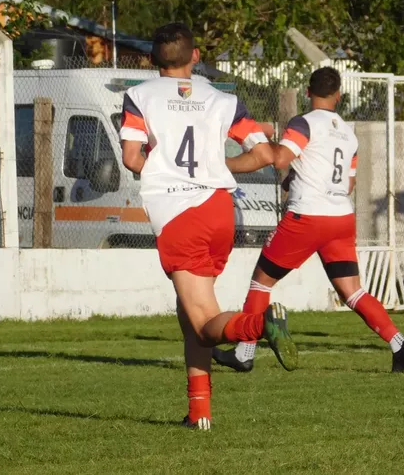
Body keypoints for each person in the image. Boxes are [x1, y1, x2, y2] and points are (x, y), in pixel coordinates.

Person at [119, 23, 295, 431]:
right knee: (188, 315)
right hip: (219, 209)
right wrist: (220, 167)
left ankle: (259, 325)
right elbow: (267, 155)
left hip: (182, 213)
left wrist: (164, 173)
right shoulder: (222, 99)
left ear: (150, 60)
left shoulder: (140, 96)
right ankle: (199, 412)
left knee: (202, 321)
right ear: (195, 56)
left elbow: (131, 158)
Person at [214, 67, 404, 374]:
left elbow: (280, 159)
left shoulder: (303, 122)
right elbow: (347, 184)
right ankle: (399, 343)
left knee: (262, 281)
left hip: (307, 216)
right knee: (352, 291)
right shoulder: (349, 134)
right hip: (341, 217)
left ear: (308, 92)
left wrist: (233, 158)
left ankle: (245, 352)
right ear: (338, 96)